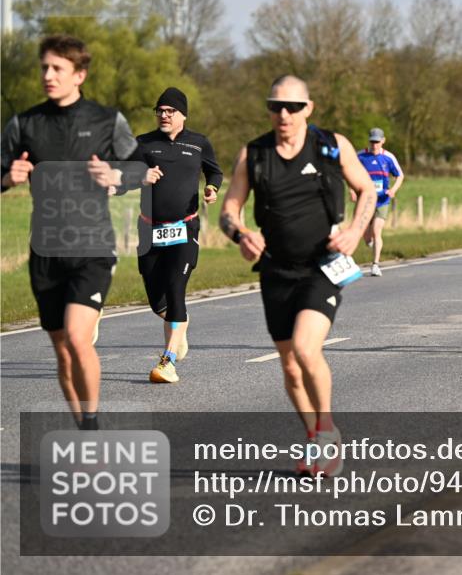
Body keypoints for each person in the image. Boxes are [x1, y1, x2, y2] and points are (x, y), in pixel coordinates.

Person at [219, 75, 376, 476]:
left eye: (291, 107)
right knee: (289, 365)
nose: (283, 114)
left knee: (307, 349)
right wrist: (240, 234)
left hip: (322, 265)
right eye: (275, 106)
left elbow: (368, 190)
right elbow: (228, 210)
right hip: (275, 268)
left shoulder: (330, 146)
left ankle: (326, 432)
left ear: (308, 108)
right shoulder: (253, 154)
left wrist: (356, 231)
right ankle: (313, 436)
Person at [1, 34, 138, 430]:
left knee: (79, 339)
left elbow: (142, 170)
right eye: (44, 67)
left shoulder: (107, 120)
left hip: (92, 247)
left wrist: (114, 174)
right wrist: (7, 177)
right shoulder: (24, 123)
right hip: (45, 251)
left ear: (79, 74)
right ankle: (83, 426)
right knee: (62, 351)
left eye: (57, 68)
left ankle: (92, 429)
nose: (48, 75)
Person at [130, 87, 223, 383]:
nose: (164, 115)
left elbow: (215, 172)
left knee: (175, 288)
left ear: (183, 115)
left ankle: (167, 361)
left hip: (185, 228)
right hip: (149, 230)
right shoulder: (143, 144)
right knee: (157, 301)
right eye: (160, 110)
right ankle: (178, 324)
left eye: (170, 111)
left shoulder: (198, 144)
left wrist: (212, 188)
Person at [355, 127, 404, 277]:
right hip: (366, 199)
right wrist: (352, 190)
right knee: (364, 233)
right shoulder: (361, 156)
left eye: (377, 142)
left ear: (383, 141)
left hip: (382, 200)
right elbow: (350, 173)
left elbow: (400, 175)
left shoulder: (388, 157)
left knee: (377, 231)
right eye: (372, 141)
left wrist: (393, 189)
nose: (374, 144)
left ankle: (375, 264)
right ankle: (370, 242)